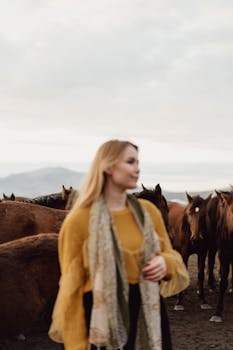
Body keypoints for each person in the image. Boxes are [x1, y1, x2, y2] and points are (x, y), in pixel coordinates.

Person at [49, 139, 189, 350]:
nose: (137, 168)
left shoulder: (148, 213)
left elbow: (171, 256)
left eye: (138, 162)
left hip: (148, 311)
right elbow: (71, 289)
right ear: (108, 167)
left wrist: (165, 263)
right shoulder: (78, 221)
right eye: (130, 162)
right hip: (99, 318)